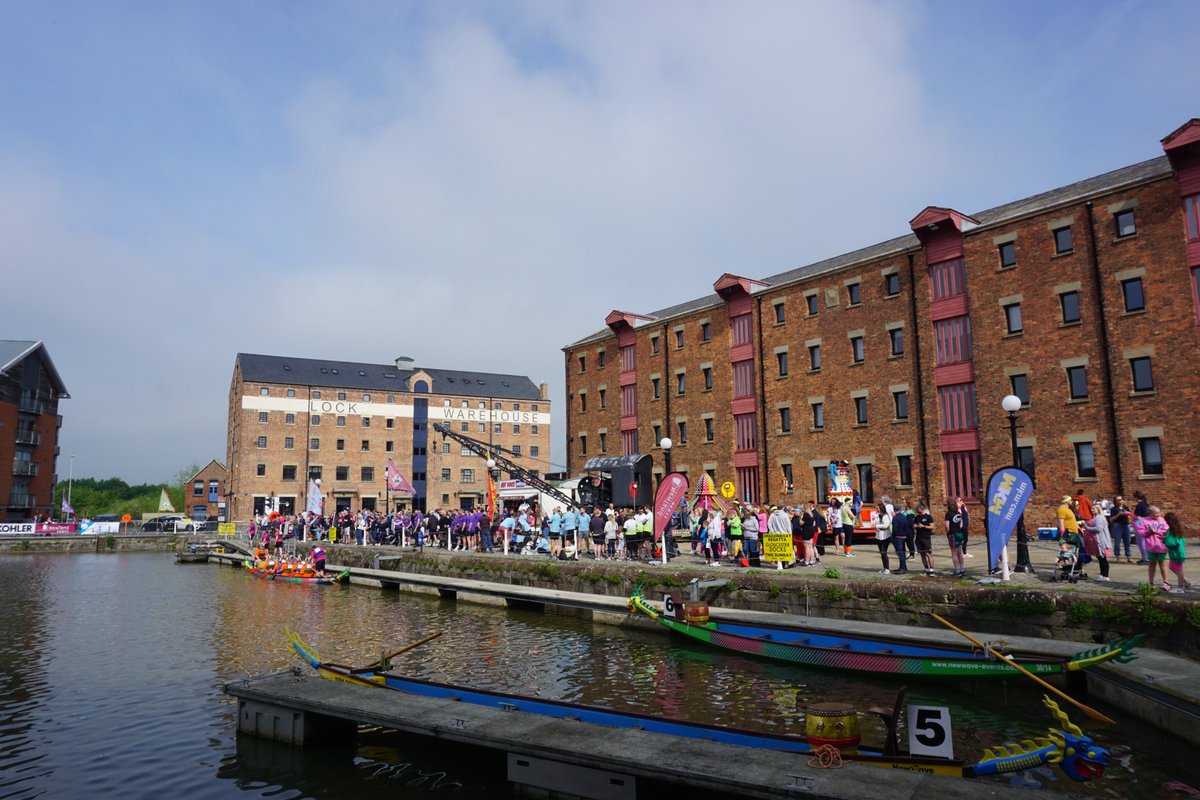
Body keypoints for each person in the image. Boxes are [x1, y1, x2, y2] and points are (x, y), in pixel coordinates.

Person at [1133, 506, 1171, 591]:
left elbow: (1167, 531)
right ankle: (1151, 582)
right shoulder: (1145, 521)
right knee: (1152, 565)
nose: (1158, 515)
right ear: (1150, 513)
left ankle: (1166, 582)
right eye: (1155, 514)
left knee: (1163, 564)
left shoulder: (1162, 520)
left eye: (1159, 513)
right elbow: (1141, 532)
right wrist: (1149, 531)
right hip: (1151, 546)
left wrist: (1156, 531)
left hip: (1162, 546)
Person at [1163, 512, 1191, 594]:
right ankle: (1185, 581)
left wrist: (1163, 540)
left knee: (1179, 570)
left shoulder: (1172, 531)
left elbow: (1171, 543)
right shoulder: (1178, 529)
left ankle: (1180, 587)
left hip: (1177, 553)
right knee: (1172, 567)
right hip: (1177, 552)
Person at [1085, 509, 1112, 582]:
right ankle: (1102, 575)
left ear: (1098, 509)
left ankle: (1105, 575)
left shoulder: (1099, 517)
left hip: (1101, 540)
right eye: (1092, 508)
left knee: (1103, 558)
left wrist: (1087, 528)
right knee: (1100, 558)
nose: (1092, 510)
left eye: (1094, 508)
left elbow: (1098, 529)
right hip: (1096, 540)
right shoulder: (1096, 517)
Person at [1108, 496, 1134, 563]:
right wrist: (1118, 515)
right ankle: (1117, 557)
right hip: (1118, 526)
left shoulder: (1126, 507)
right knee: (1117, 542)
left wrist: (1130, 518)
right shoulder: (1113, 509)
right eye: (1119, 500)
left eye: (1121, 499)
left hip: (1125, 525)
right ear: (1116, 501)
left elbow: (1131, 515)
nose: (1121, 501)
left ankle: (1128, 557)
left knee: (1127, 542)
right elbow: (1111, 520)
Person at [913, 502, 935, 575]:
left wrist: (924, 526)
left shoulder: (928, 517)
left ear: (922, 509)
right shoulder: (916, 517)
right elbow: (914, 526)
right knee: (922, 554)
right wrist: (915, 526)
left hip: (926, 537)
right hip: (918, 537)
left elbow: (932, 527)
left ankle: (931, 569)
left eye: (918, 509)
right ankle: (926, 568)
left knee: (928, 553)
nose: (918, 511)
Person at [944, 500, 965, 576]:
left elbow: (947, 526)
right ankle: (962, 569)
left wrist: (948, 532)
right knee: (960, 552)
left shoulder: (948, 514)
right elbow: (961, 525)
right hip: (959, 533)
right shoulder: (959, 513)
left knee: (954, 553)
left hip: (952, 534)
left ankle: (957, 570)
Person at [890, 501, 911, 574]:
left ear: (894, 509)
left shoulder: (895, 518)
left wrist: (893, 537)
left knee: (900, 553)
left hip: (897, 537)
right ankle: (903, 567)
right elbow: (906, 527)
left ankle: (902, 567)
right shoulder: (903, 517)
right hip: (903, 536)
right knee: (903, 552)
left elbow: (894, 529)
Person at [873, 502, 893, 574]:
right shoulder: (878, 516)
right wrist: (876, 526)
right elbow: (874, 523)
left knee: (884, 552)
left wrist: (877, 526)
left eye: (877, 508)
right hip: (878, 536)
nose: (876, 509)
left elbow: (885, 525)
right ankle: (884, 568)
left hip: (885, 536)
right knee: (881, 553)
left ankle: (887, 569)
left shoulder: (886, 516)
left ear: (881, 508)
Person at [1132, 491, 1151, 565]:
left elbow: (1137, 517)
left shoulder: (1139, 506)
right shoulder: (1146, 504)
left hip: (1140, 526)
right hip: (1146, 526)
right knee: (1145, 543)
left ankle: (1145, 559)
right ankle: (1145, 558)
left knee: (1141, 543)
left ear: (1136, 497)